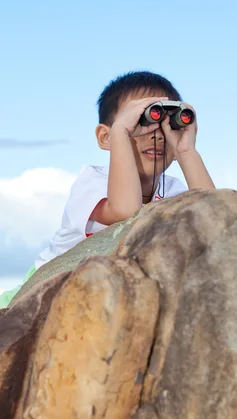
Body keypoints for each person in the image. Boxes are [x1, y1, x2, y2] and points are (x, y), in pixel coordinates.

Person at [0, 71, 214, 308]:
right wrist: (120, 132)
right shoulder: (92, 182)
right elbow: (126, 212)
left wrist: (186, 152)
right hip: (39, 289)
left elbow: (213, 216)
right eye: (143, 121)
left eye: (166, 124)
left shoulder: (173, 189)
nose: (157, 135)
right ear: (105, 137)